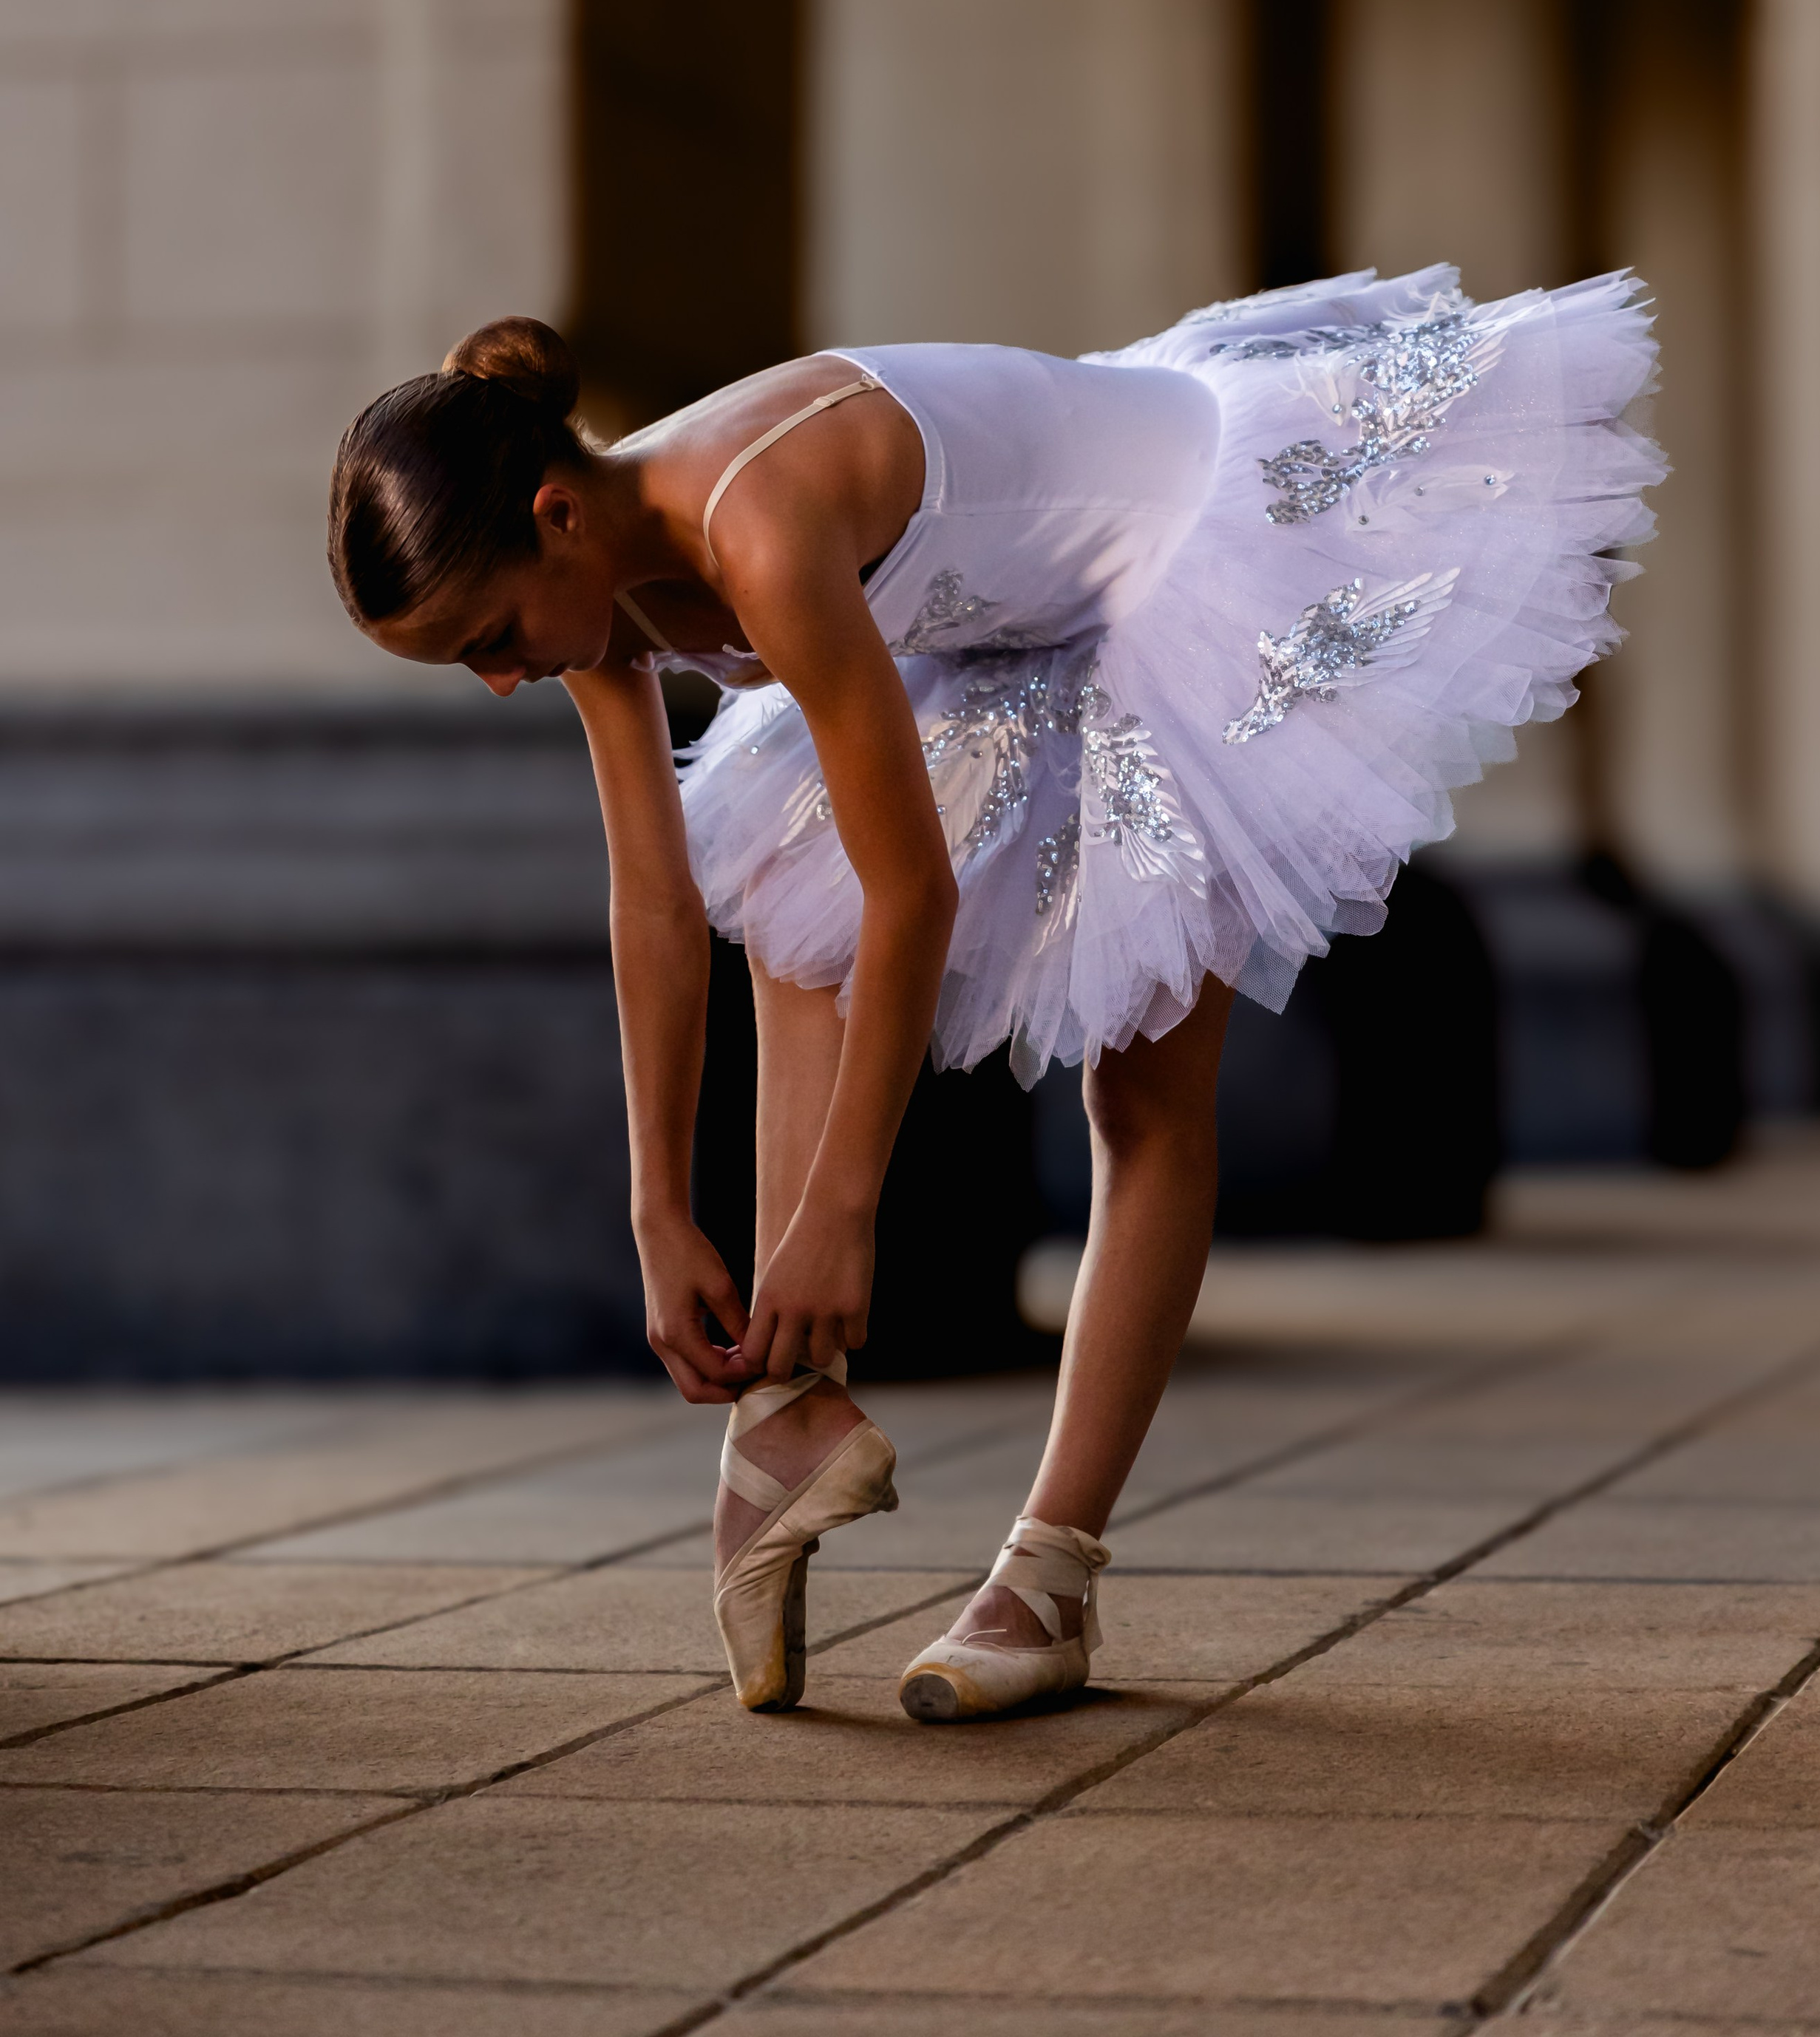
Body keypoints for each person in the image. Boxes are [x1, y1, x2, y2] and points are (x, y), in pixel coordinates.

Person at [327, 265, 1662, 1720]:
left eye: (485, 640)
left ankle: (1049, 1573)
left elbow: (917, 894)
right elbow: (653, 902)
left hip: (1185, 546)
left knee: (1142, 1088)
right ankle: (787, 1415)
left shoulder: (755, 521)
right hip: (1011, 631)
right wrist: (656, 1208)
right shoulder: (597, 600)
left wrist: (843, 1211)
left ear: (554, 517)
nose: (499, 679)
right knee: (783, 909)